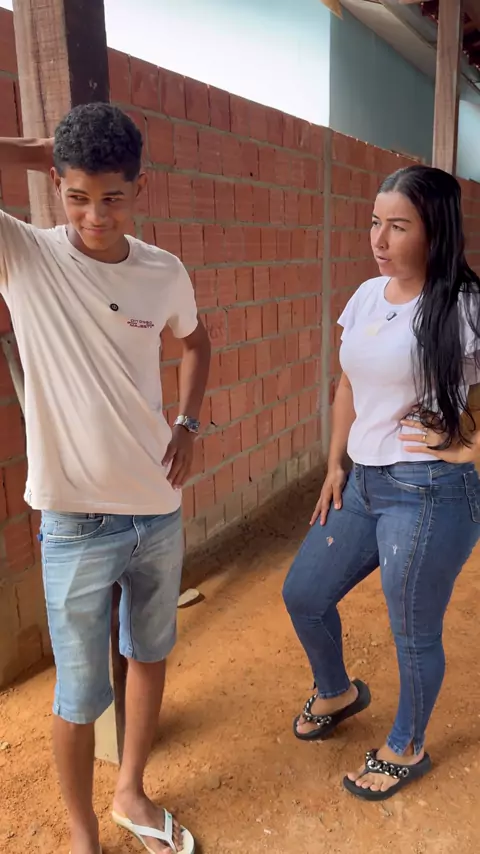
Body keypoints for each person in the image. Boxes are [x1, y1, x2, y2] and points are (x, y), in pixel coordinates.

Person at [0, 103, 211, 853]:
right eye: (77, 195)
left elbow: (197, 343)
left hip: (157, 508)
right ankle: (83, 835)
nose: (95, 215)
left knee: (148, 654)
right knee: (79, 692)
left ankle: (130, 792)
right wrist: (44, 152)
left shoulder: (163, 271)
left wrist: (187, 423)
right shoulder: (25, 255)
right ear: (57, 185)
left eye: (113, 196)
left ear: (140, 188)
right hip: (76, 520)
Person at [283, 164, 480, 802]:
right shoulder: (368, 295)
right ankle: (337, 691)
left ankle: (407, 745)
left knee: (412, 630)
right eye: (375, 222)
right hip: (362, 483)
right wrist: (334, 462)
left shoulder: (463, 304)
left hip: (429, 491)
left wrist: (470, 445)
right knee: (304, 594)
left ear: (435, 232)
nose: (379, 238)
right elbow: (347, 384)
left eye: (398, 226)